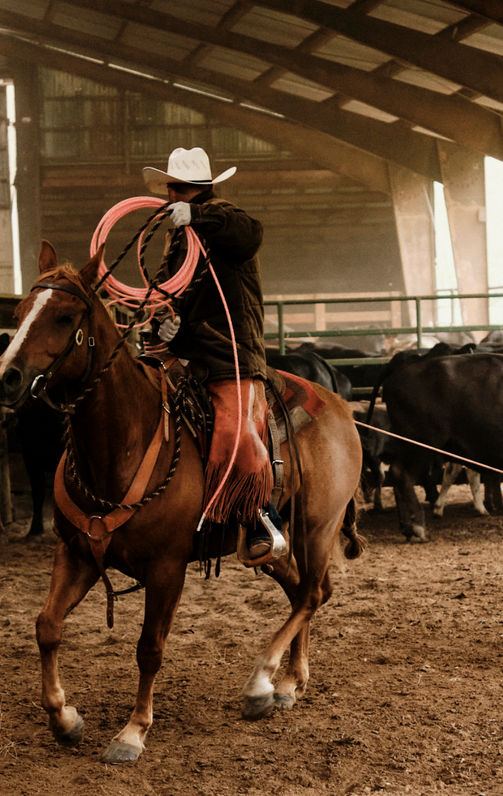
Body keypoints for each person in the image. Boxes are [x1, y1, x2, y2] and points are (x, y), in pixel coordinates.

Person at [143, 146, 287, 563]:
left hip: (231, 354)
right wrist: (162, 326)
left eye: (179, 189)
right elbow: (163, 294)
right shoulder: (176, 243)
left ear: (198, 191)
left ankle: (263, 515)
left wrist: (199, 216)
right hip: (187, 353)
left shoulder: (223, 221)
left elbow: (251, 232)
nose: (172, 195)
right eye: (171, 188)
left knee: (234, 430)